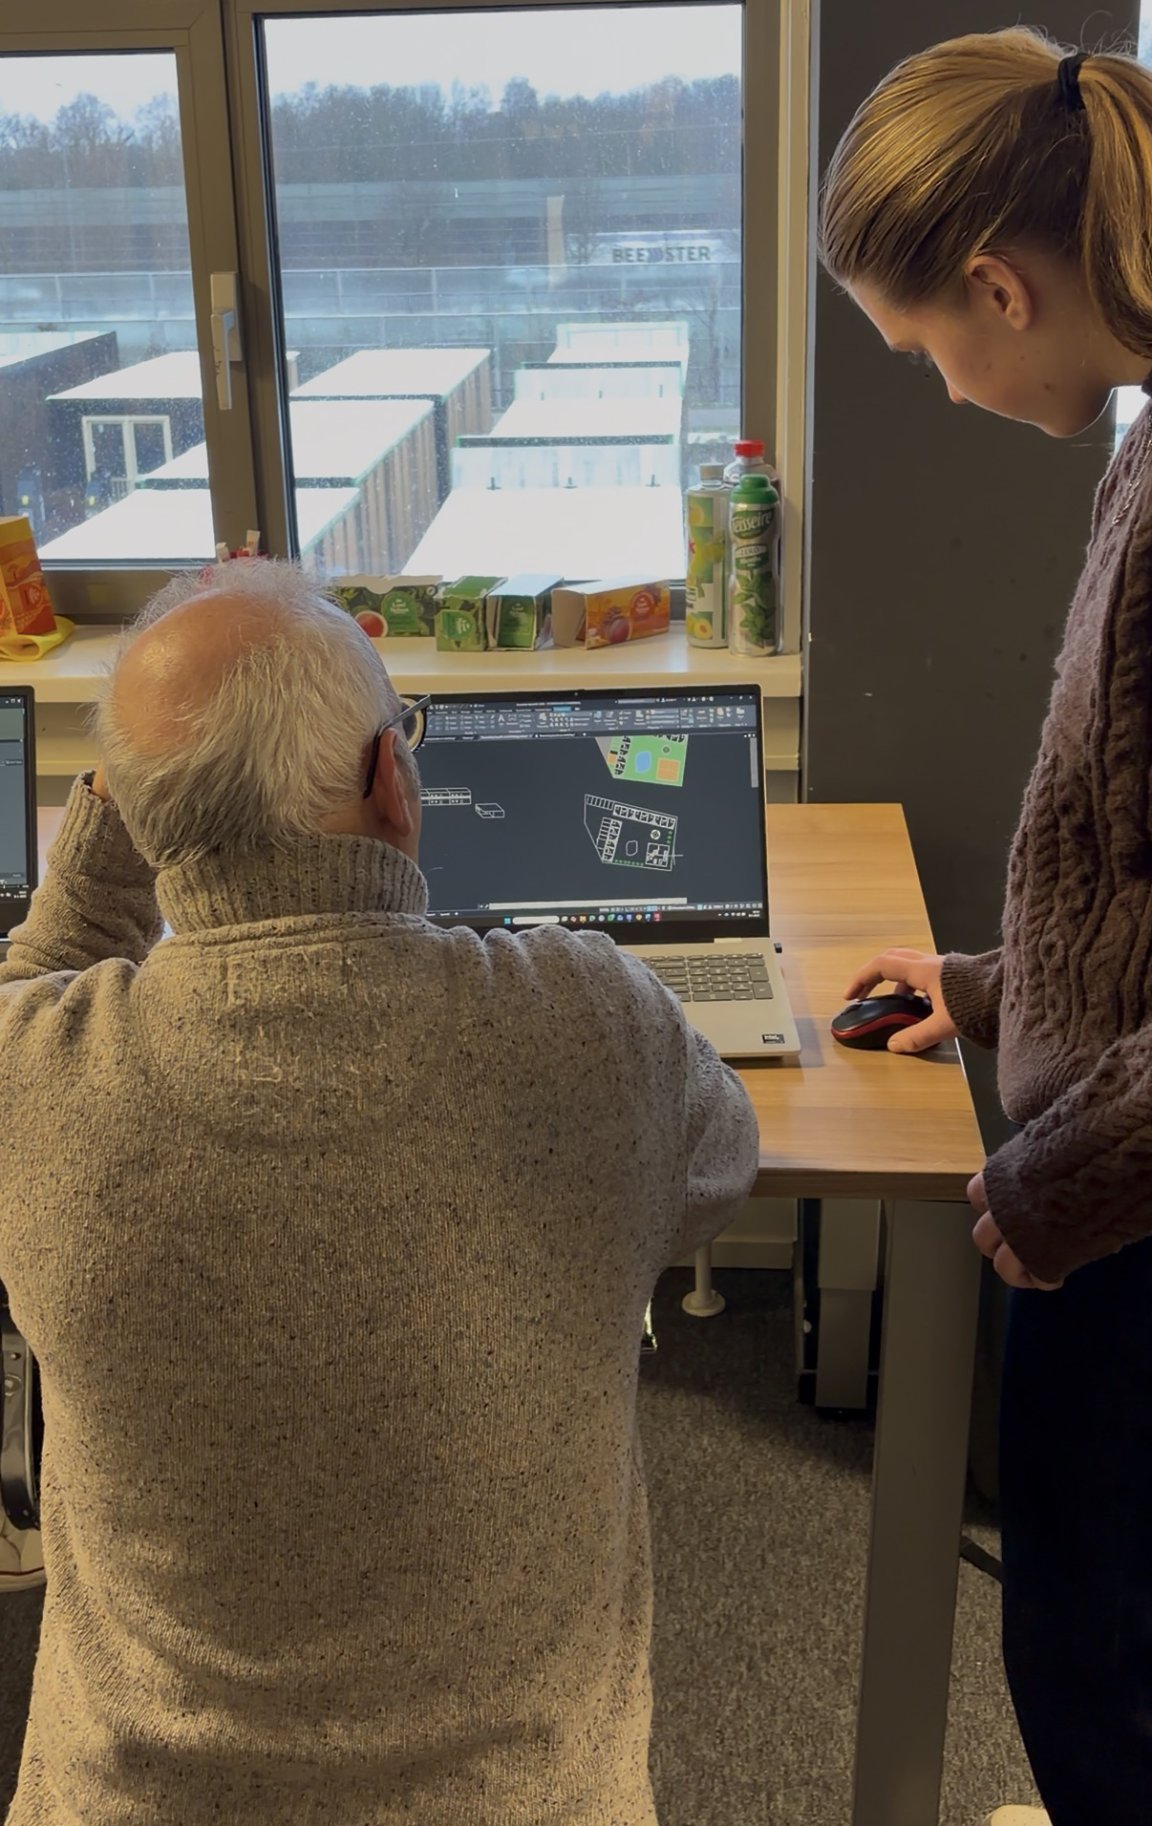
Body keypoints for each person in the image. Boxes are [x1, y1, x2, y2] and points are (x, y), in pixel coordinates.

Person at [0, 560, 759, 1825]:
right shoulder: (594, 1020)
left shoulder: (32, 1080)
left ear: (135, 817)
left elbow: (32, 979)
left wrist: (121, 803)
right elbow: (712, 1177)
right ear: (394, 785)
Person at [820, 27, 1152, 1826]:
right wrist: (993, 983)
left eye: (922, 351)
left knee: (1087, 1654)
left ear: (994, 286)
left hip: (1128, 1199)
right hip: (1106, 1149)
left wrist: (1051, 1180)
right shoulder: (1138, 451)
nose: (939, 391)